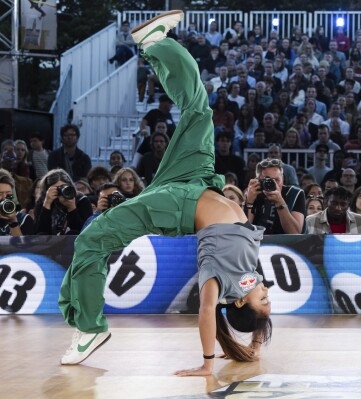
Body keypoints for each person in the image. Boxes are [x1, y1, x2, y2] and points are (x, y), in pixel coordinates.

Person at [59, 12, 272, 373]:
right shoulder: (250, 279)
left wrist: (207, 364)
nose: (268, 298)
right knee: (199, 110)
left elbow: (208, 313)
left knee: (92, 239)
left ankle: (89, 327)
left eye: (263, 303)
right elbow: (254, 315)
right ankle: (155, 43)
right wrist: (252, 342)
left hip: (176, 207)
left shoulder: (218, 286)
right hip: (197, 180)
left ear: (238, 303)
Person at [245, 158, 306, 234]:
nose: (274, 184)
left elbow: (295, 233)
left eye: (277, 180)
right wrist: (249, 203)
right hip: (258, 244)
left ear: (283, 179)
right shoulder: (254, 193)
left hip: (286, 244)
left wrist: (280, 202)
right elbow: (244, 233)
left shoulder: (295, 194)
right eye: (268, 180)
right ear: (258, 180)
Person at [0, 169, 35, 237]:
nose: (4, 198)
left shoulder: (24, 219)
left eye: (8, 194)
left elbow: (22, 247)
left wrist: (13, 222)